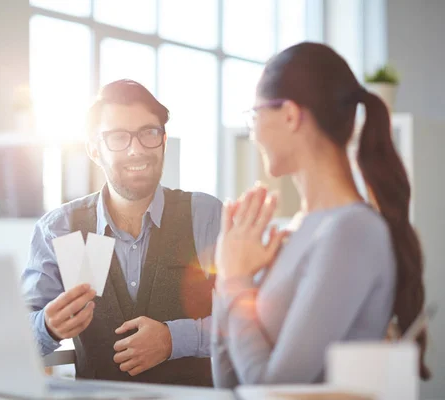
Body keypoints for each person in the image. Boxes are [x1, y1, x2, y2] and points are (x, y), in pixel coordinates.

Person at [211, 42, 430, 387]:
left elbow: (274, 390)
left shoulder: (353, 231)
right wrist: (227, 280)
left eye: (255, 115)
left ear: (290, 115)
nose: (253, 133)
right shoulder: (299, 229)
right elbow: (228, 382)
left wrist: (235, 282)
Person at [21, 79, 222, 386]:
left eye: (149, 133)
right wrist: (46, 326)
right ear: (93, 149)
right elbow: (17, 335)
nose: (136, 150)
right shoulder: (60, 229)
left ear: (164, 139)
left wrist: (174, 339)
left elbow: (249, 324)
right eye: (118, 137)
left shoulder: (205, 216)